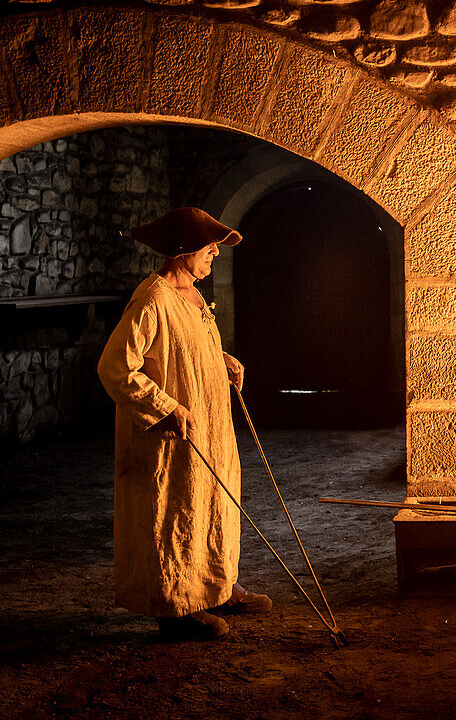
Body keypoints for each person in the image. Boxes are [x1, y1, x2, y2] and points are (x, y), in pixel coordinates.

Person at [98, 207, 271, 640]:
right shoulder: (152, 299)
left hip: (209, 429)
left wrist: (221, 360)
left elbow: (186, 349)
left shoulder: (190, 294)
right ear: (180, 250)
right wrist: (164, 408)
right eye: (207, 244)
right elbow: (115, 366)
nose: (214, 251)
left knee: (214, 504)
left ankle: (216, 586)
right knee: (178, 513)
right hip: (172, 438)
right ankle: (177, 609)